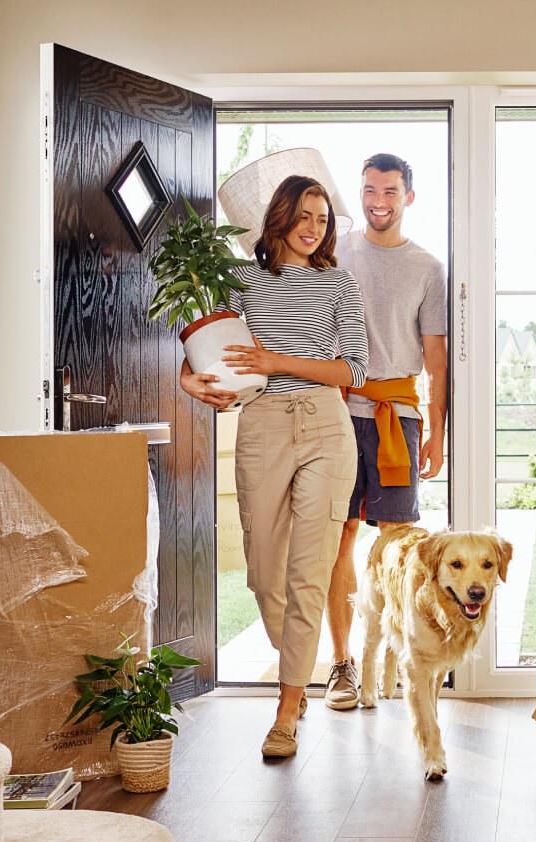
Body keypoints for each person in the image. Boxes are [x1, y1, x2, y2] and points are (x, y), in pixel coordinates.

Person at [179, 175, 368, 757]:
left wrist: (276, 358)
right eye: (305, 216)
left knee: (309, 571)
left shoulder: (339, 284)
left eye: (323, 218)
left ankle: (287, 706)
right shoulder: (238, 280)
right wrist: (189, 379)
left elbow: (352, 371)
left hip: (325, 425)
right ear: (279, 217)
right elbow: (201, 347)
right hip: (260, 423)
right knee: (264, 571)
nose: (314, 228)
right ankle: (299, 674)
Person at [321, 153, 449, 710]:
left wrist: (437, 433)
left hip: (399, 414)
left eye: (390, 191)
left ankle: (396, 653)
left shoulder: (427, 267)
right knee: (339, 535)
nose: (379, 200)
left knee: (397, 543)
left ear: (408, 198)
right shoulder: (335, 252)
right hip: (337, 410)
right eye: (370, 189)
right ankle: (343, 665)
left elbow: (437, 361)